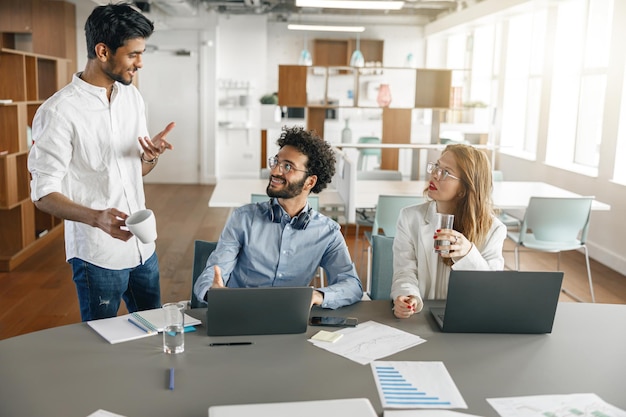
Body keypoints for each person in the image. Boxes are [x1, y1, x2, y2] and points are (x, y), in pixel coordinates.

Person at [27, 3, 175, 321]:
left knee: (154, 328)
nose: (141, 63)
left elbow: (137, 170)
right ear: (103, 51)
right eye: (133, 54)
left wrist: (150, 157)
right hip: (97, 255)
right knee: (100, 341)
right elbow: (42, 193)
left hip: (142, 247)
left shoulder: (132, 98)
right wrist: (97, 218)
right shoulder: (59, 112)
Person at [194, 126, 363, 309]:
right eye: (276, 162)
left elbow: (352, 285)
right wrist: (214, 292)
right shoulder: (243, 218)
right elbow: (214, 271)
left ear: (310, 182)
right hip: (239, 312)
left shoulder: (327, 232)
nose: (275, 171)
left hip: (289, 320)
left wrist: (318, 295)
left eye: (287, 166)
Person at [391, 144, 506, 318]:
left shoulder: (494, 229)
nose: (434, 174)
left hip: (469, 317)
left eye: (445, 172)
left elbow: (491, 289)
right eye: (436, 166)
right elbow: (405, 271)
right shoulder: (409, 217)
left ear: (465, 188)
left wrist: (468, 254)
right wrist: (409, 296)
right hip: (422, 316)